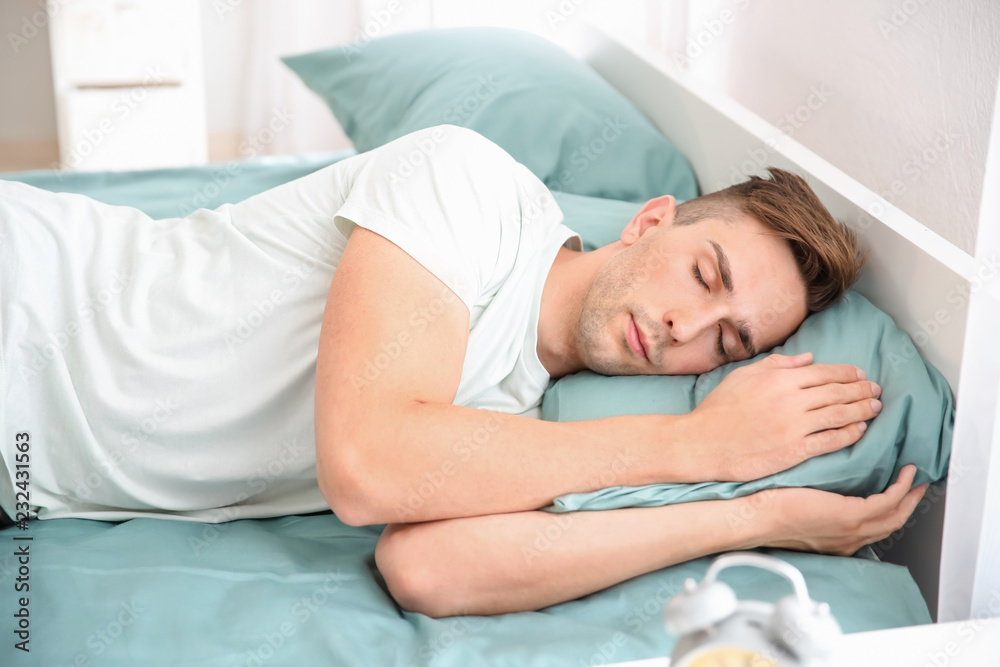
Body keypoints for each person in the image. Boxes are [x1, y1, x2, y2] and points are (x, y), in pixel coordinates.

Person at [0, 125, 926, 617]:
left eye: (724, 345)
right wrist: (694, 443)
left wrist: (755, 513)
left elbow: (430, 570)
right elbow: (366, 467)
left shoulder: (531, 419)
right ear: (651, 221)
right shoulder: (470, 187)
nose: (689, 326)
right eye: (705, 274)